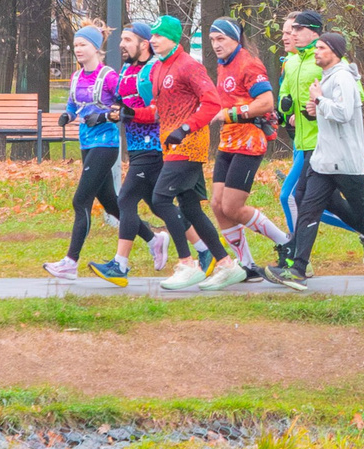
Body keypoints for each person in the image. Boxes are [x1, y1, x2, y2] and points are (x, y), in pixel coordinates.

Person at [268, 32, 364, 289]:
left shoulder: (343, 78)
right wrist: (316, 111)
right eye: (316, 48)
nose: (316, 52)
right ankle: (297, 268)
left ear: (335, 52)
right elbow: (332, 114)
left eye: (321, 48)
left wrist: (318, 99)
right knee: (307, 207)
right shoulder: (328, 77)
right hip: (324, 160)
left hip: (343, 160)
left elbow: (344, 112)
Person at [46, 25, 155, 280]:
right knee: (111, 204)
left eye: (83, 45)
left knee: (80, 200)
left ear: (96, 47)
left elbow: (124, 105)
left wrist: (104, 115)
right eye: (75, 46)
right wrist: (67, 115)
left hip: (106, 144)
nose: (78, 50)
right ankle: (153, 237)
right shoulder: (76, 77)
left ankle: (70, 262)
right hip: (86, 143)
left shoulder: (109, 76)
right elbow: (74, 104)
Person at [145, 17, 246, 290]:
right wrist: (130, 114)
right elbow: (160, 109)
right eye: (152, 35)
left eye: (159, 35)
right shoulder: (159, 68)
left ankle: (187, 263)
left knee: (160, 199)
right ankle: (227, 265)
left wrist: (186, 128)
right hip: (172, 147)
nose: (153, 40)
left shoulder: (189, 65)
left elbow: (212, 102)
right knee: (190, 208)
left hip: (189, 146)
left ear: (174, 38)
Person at [90, 21, 176, 287]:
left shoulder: (152, 71)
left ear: (144, 43)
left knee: (125, 199)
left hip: (153, 147)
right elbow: (120, 102)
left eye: (128, 40)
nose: (121, 44)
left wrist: (130, 113)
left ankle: (120, 265)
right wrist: (110, 112)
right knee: (157, 204)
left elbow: (159, 111)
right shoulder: (127, 68)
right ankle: (205, 250)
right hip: (136, 147)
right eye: (122, 39)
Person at [203, 17, 289, 277]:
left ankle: (286, 243)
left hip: (249, 142)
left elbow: (266, 102)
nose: (216, 45)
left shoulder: (248, 63)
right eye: (212, 40)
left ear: (235, 39)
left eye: (221, 39)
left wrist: (230, 114)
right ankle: (247, 265)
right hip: (228, 141)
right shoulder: (222, 64)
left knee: (232, 207)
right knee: (217, 204)